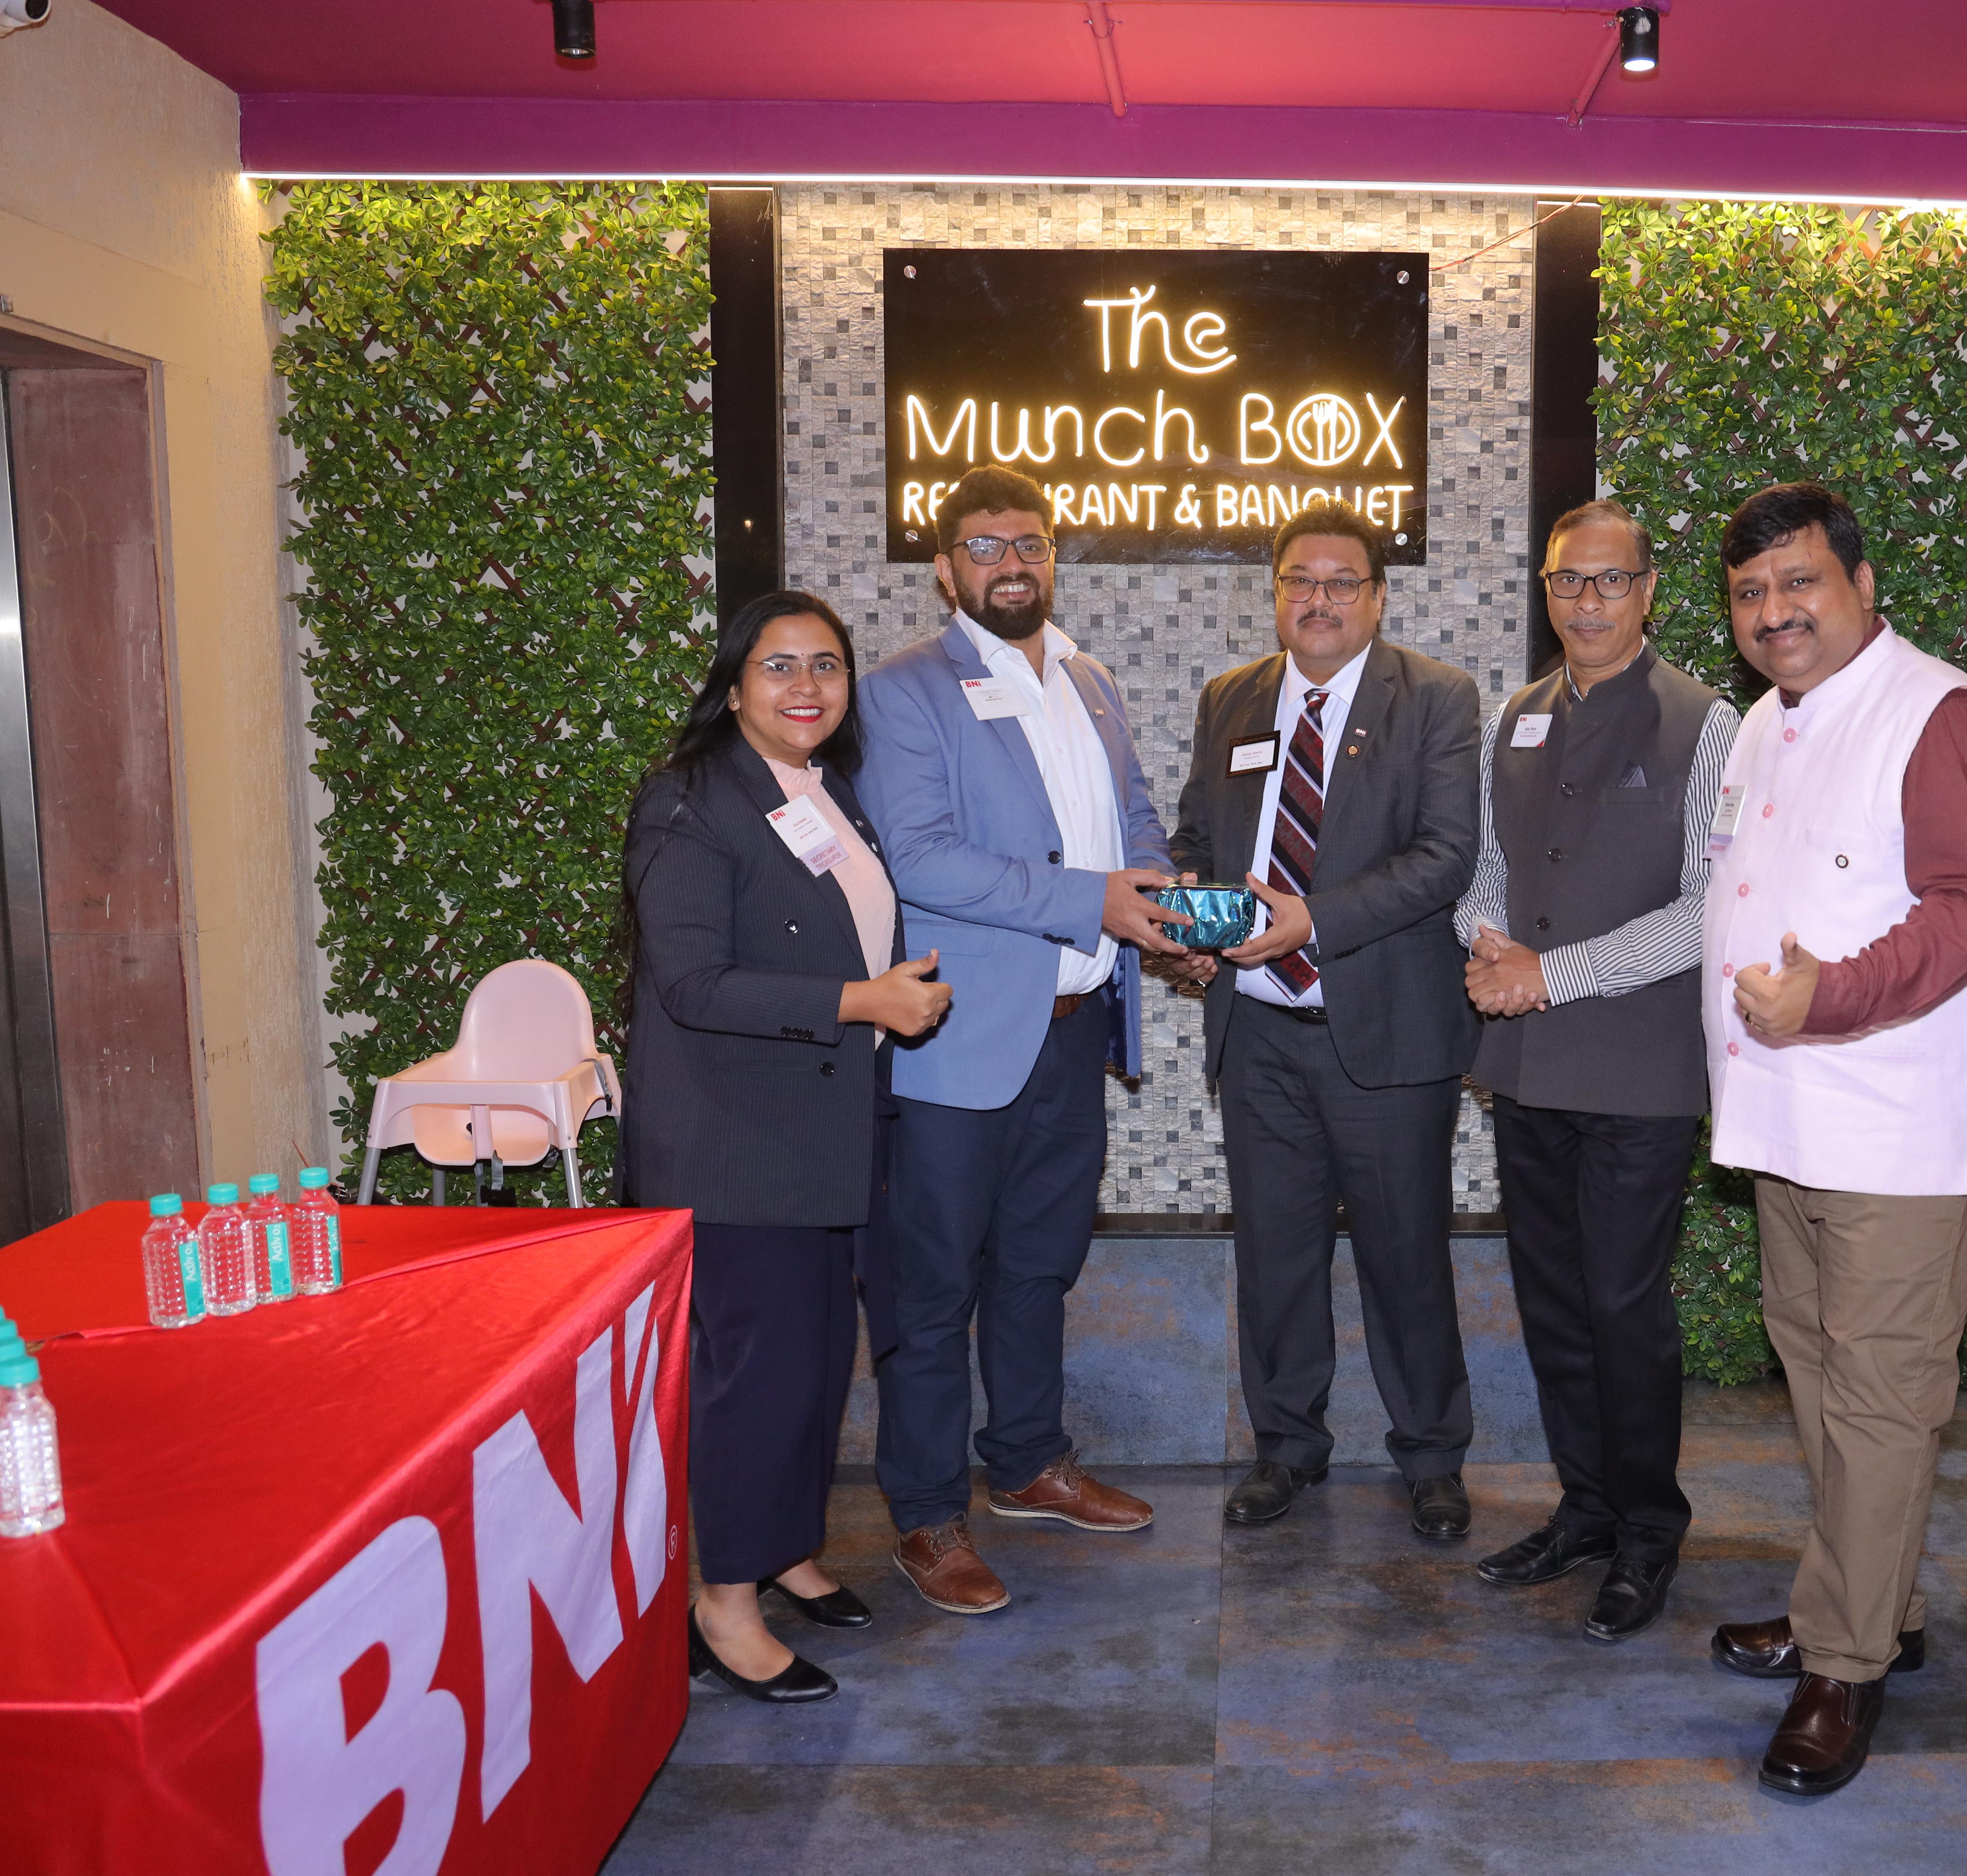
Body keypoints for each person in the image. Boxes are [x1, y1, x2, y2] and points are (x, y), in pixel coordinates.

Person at [1699, 483, 1967, 1796]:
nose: (1775, 612)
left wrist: (1829, 997)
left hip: (1902, 1122)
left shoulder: (1945, 717)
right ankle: (1868, 1607)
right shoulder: (1764, 724)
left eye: (1799, 583)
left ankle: (1846, 1667)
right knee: (1816, 1370)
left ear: (1860, 584)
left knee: (1883, 1398)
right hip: (1791, 1117)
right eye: (1751, 593)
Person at [854, 464, 1189, 1615]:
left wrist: (1168, 910)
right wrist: (1094, 900)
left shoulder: (1089, 679)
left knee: (1040, 1265)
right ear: (945, 570)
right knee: (933, 1287)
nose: (1012, 564)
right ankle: (926, 1513)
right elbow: (921, 859)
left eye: (1030, 543)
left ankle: (1029, 1461)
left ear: (1054, 557)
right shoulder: (903, 690)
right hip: (957, 1038)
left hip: (1073, 1031)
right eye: (986, 546)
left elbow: (1134, 820)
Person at [623, 589, 954, 1704]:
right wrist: (863, 1002)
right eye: (779, 666)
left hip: (824, 1136)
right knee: (757, 1381)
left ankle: (785, 1553)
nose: (806, 685)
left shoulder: (822, 790)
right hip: (735, 1146)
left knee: (813, 1366)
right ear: (733, 687)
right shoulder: (689, 799)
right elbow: (694, 982)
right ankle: (723, 1604)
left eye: (827, 664)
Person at [1168, 500, 1484, 1539]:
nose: (1319, 599)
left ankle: (1432, 1456)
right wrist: (1189, 917)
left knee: (1406, 1257)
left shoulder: (1436, 697)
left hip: (1385, 1036)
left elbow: (1446, 856)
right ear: (1275, 593)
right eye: (1299, 580)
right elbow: (1198, 835)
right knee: (1276, 1257)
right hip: (1258, 1032)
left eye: (1342, 582)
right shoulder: (1231, 698)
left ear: (1378, 598)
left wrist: (1315, 919)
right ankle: (1287, 1447)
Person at [1455, 500, 1738, 1641]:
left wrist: (1549, 975)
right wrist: (1485, 944)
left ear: (1650, 590)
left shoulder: (1707, 723)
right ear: (1546, 588)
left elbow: (1710, 909)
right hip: (1528, 1067)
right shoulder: (1518, 715)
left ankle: (1649, 1530)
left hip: (1638, 1068)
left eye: (1612, 580)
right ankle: (1584, 1508)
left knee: (1624, 1307)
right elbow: (1488, 869)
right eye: (1569, 580)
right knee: (1555, 1303)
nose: (1588, 601)